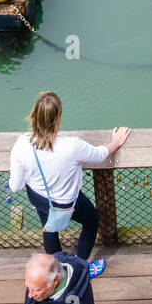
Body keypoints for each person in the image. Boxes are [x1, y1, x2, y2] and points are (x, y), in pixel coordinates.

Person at [8, 92, 130, 278]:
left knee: (49, 227)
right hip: (68, 202)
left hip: (40, 198)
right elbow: (99, 155)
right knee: (91, 221)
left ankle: (58, 275)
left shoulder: (21, 145)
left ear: (33, 115)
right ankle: (80, 270)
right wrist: (114, 144)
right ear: (57, 119)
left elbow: (15, 186)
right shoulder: (72, 146)